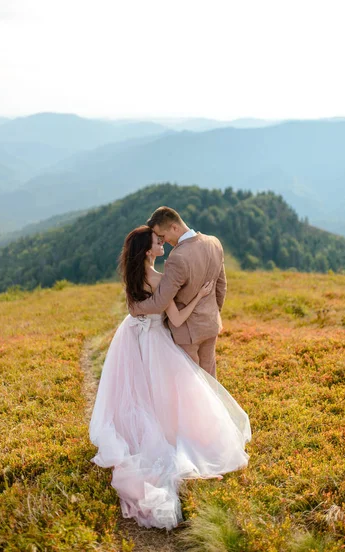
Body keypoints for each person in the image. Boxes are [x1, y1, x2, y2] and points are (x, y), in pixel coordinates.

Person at [89, 225, 251, 531]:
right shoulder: (160, 279)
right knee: (170, 395)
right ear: (149, 250)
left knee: (139, 393)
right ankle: (175, 449)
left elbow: (139, 310)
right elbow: (175, 318)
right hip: (154, 341)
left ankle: (141, 438)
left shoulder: (134, 276)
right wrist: (198, 296)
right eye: (157, 242)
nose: (162, 244)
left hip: (131, 336)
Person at [129, 206, 227, 378]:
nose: (163, 241)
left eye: (163, 236)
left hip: (187, 331)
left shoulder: (177, 258)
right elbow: (221, 286)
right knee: (210, 379)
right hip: (210, 324)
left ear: (174, 227)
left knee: (191, 383)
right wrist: (213, 312)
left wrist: (135, 308)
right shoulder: (214, 242)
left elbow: (160, 301)